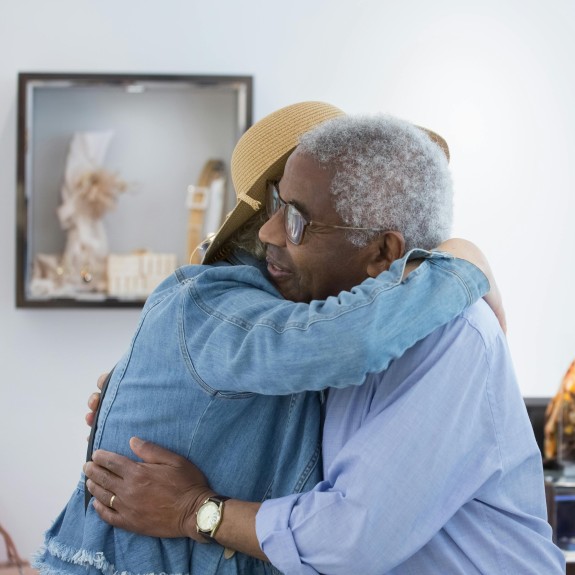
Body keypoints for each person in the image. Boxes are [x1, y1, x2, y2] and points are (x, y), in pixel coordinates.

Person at [83, 113, 565, 574]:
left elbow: (349, 537)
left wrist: (195, 511)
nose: (270, 234)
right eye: (274, 206)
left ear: (382, 252)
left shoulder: (450, 336)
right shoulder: (314, 330)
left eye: (296, 219)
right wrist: (155, 398)